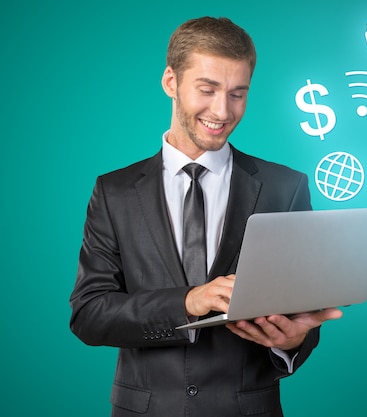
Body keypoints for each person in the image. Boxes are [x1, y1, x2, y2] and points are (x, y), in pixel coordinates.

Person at [69, 16, 342, 417]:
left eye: (237, 94)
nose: (222, 110)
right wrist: (188, 301)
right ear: (170, 82)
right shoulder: (114, 192)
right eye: (207, 89)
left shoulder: (286, 187)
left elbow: (300, 311)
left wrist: (292, 341)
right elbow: (89, 314)